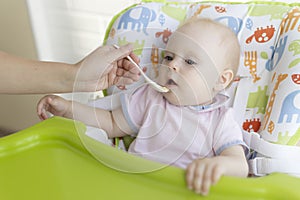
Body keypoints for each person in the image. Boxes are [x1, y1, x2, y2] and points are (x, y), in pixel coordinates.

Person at [37, 18, 249, 196]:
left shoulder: (219, 119)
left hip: (180, 191)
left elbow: (240, 165)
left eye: (190, 62)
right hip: (131, 184)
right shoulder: (151, 98)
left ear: (221, 80)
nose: (172, 65)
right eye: (169, 57)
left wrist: (219, 166)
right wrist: (67, 109)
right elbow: (110, 123)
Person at [0, 44, 140, 94]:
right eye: (163, 58)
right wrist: (67, 109)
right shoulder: (144, 102)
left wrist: (76, 76)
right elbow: (112, 123)